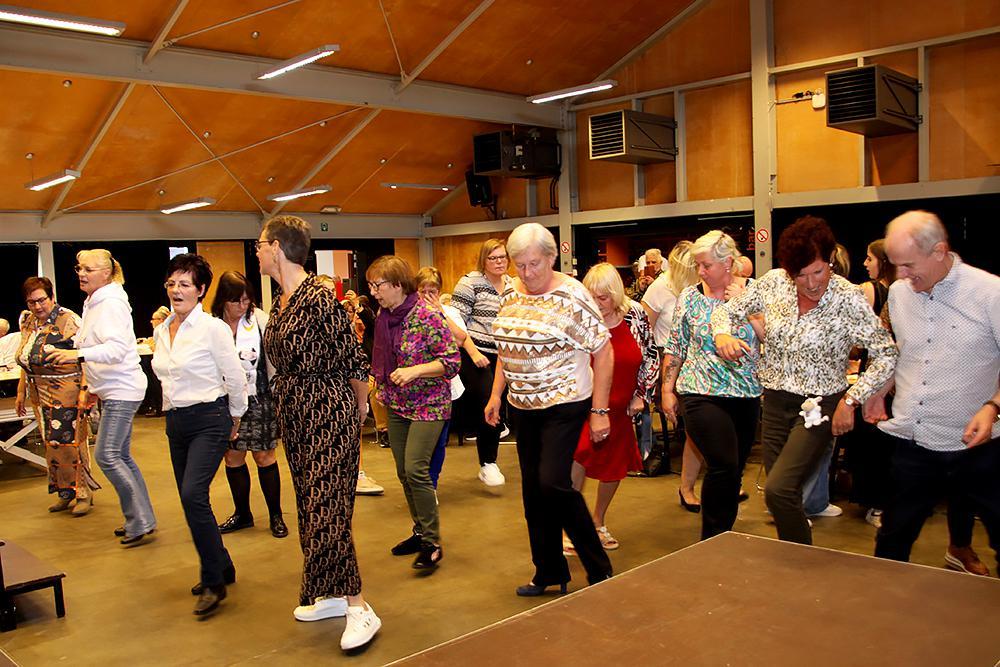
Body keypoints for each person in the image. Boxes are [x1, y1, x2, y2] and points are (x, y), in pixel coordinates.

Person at [713, 216, 897, 545]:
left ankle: (800, 561)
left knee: (779, 489)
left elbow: (886, 352)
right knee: (783, 497)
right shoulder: (773, 283)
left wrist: (852, 399)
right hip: (775, 402)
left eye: (818, 271)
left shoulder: (848, 297)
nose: (811, 283)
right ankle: (797, 556)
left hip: (820, 405)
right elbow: (725, 311)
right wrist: (722, 334)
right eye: (800, 275)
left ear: (830, 260)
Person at [257, 216, 380, 650]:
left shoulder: (318, 298)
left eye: (260, 244)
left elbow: (355, 360)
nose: (257, 251)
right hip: (296, 413)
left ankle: (359, 606)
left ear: (277, 247)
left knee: (329, 510)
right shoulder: (282, 300)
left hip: (328, 411)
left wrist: (358, 410)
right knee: (310, 506)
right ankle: (327, 591)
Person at [486, 222, 614, 596]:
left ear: (552, 257)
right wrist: (496, 395)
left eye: (534, 264)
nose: (527, 273)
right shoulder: (512, 292)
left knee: (553, 483)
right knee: (532, 491)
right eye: (520, 265)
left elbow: (604, 351)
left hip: (565, 402)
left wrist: (600, 411)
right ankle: (548, 571)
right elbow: (507, 348)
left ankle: (598, 568)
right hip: (523, 405)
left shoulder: (573, 296)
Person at [869, 211, 1000, 575]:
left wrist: (993, 407)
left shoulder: (990, 292)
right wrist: (880, 389)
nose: (901, 275)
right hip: (915, 442)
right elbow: (904, 352)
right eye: (895, 265)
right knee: (892, 538)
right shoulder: (899, 294)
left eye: (908, 265)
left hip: (980, 447)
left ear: (939, 251)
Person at [152, 254, 247, 615]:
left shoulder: (212, 329)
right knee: (190, 498)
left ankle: (213, 581)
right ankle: (221, 563)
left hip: (210, 417)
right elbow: (166, 378)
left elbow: (235, 377)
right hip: (176, 421)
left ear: (201, 290)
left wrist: (235, 416)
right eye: (172, 283)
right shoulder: (162, 330)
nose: (176, 290)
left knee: (193, 495)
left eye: (185, 284)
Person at [46, 249, 156, 545]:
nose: (81, 274)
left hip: (122, 389)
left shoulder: (110, 303)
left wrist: (76, 355)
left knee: (107, 455)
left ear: (106, 273)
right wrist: (91, 385)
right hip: (113, 388)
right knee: (121, 456)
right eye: (79, 268)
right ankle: (143, 518)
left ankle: (139, 521)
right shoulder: (95, 301)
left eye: (88, 269)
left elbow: (116, 349)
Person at [663, 231, 761, 540]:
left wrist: (746, 307)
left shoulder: (754, 291)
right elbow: (675, 346)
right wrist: (667, 390)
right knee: (723, 463)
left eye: (706, 265)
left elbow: (772, 337)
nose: (701, 271)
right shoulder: (690, 297)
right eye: (698, 265)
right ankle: (713, 538)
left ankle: (724, 535)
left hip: (746, 393)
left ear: (728, 263)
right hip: (700, 391)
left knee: (735, 469)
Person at [370, 256, 459, 571]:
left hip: (429, 404)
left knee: (416, 469)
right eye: (371, 286)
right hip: (398, 404)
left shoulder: (427, 315)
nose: (373, 292)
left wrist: (415, 370)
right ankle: (420, 532)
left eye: (377, 285)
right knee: (403, 472)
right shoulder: (385, 316)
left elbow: (451, 362)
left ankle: (432, 543)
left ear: (397, 284)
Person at [571, 263, 659, 551]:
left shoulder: (635, 315)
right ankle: (572, 525)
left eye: (603, 297)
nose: (597, 303)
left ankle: (598, 521)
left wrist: (642, 395)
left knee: (614, 466)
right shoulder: (579, 319)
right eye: (591, 297)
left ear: (616, 294)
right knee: (577, 459)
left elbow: (650, 356)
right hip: (584, 405)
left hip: (621, 408)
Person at [210, 271, 288, 539]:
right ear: (224, 300)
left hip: (259, 398)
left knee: (264, 456)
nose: (243, 306)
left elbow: (276, 357)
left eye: (247, 300)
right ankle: (242, 514)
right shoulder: (212, 325)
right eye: (236, 301)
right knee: (233, 457)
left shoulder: (260, 320)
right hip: (225, 401)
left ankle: (276, 515)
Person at [15, 277, 100, 515]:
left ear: (52, 297)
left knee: (71, 443)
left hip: (67, 390)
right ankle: (65, 492)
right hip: (39, 393)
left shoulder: (69, 320)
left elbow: (87, 357)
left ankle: (83, 492)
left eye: (41, 300)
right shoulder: (28, 322)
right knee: (52, 445)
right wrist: (21, 391)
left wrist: (86, 391)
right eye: (31, 302)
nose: (37, 306)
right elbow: (26, 359)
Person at [643, 242, 703, 505]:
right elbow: (644, 332)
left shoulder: (702, 287)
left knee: (704, 427)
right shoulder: (660, 288)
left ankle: (722, 481)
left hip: (700, 361)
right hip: (670, 360)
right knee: (695, 427)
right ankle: (688, 488)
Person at [451, 238, 512, 487]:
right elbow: (455, 322)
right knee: (489, 401)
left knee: (503, 406)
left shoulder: (513, 285)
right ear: (483, 260)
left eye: (502, 257)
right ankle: (488, 462)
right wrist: (474, 353)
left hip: (505, 356)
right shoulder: (470, 283)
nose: (499, 262)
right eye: (493, 258)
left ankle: (496, 437)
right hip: (476, 353)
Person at [849, 238, 897, 528]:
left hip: (885, 377)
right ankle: (878, 504)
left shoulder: (878, 291)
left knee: (881, 444)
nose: (865, 263)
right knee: (880, 444)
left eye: (870, 258)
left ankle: (881, 503)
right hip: (882, 377)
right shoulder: (881, 292)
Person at [415, 267, 469, 491]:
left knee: (438, 440)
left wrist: (440, 312)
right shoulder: (409, 313)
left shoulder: (449, 313)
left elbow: (461, 338)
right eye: (423, 291)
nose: (428, 296)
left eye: (433, 291)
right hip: (415, 387)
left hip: (443, 388)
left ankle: (432, 485)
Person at [138, 306, 170, 417]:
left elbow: (157, 347)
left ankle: (158, 407)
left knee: (154, 381)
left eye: (154, 319)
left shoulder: (163, 330)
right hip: (160, 362)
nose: (151, 322)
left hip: (163, 364)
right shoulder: (161, 331)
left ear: (161, 320)